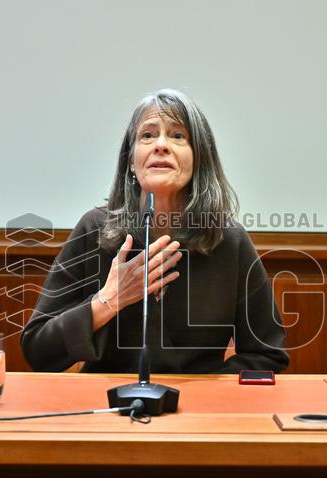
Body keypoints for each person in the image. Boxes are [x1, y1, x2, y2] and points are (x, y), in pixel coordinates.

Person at [21, 89, 289, 373]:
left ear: (199, 158)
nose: (161, 145)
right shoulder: (94, 229)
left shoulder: (228, 239)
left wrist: (203, 390)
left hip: (199, 402)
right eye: (147, 135)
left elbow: (267, 355)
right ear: (131, 161)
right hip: (108, 399)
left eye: (178, 136)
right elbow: (38, 350)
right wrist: (109, 300)